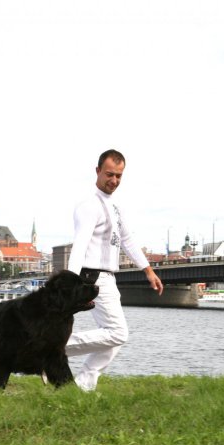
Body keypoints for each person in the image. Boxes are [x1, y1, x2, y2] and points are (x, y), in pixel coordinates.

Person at [65, 149, 164, 391]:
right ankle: (53, 347)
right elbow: (79, 245)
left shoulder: (114, 207)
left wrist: (148, 270)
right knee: (118, 333)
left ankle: (82, 387)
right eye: (110, 174)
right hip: (92, 278)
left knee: (114, 340)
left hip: (108, 278)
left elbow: (127, 240)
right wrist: (70, 282)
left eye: (119, 176)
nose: (114, 181)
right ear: (97, 171)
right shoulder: (89, 206)